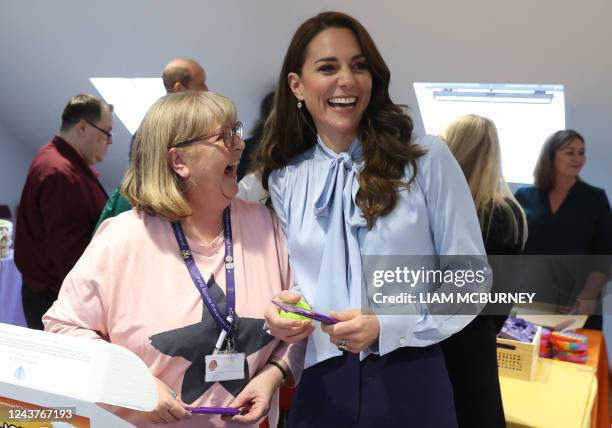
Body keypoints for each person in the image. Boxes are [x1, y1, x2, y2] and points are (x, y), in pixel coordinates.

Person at [256, 12, 490, 427]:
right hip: (320, 383)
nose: (346, 79)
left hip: (410, 375)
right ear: (297, 85)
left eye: (359, 66)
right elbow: (296, 281)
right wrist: (282, 311)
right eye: (328, 67)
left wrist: (390, 322)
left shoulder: (426, 158)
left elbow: (470, 278)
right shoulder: (285, 178)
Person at [43, 91, 305, 427]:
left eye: (236, 131)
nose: (240, 145)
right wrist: (131, 383)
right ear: (179, 160)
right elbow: (63, 328)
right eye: (224, 137)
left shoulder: (265, 226)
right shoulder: (123, 238)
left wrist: (273, 374)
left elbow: (299, 318)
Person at [439, 114, 527, 427]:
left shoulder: (434, 208)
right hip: (475, 342)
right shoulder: (507, 214)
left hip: (428, 340)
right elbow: (503, 298)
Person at [15, 94, 113, 330]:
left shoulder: (60, 160)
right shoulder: (60, 172)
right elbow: (68, 254)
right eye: (107, 132)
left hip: (53, 294)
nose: (110, 141)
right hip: (56, 299)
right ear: (82, 127)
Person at [93, 58, 209, 232]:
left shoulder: (197, 129)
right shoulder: (150, 134)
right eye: (201, 84)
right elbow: (143, 187)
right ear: (179, 89)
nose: (207, 90)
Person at [515, 129, 612, 330]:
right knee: (535, 355)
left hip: (579, 298)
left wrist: (588, 295)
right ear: (551, 155)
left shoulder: (595, 198)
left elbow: (605, 252)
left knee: (577, 356)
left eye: (581, 152)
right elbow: (515, 249)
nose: (578, 158)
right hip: (535, 296)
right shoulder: (525, 196)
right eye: (570, 152)